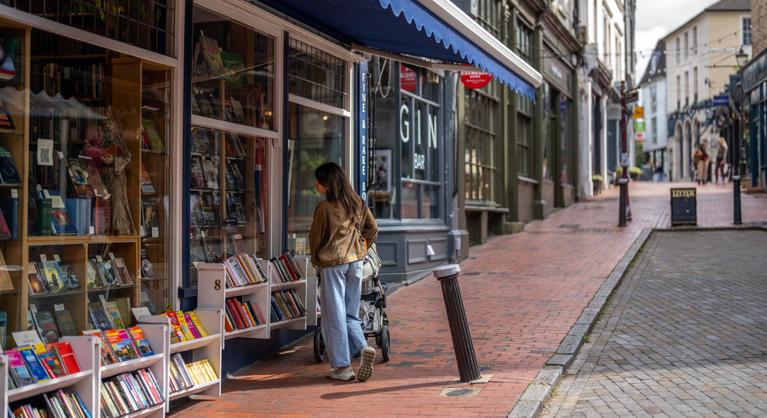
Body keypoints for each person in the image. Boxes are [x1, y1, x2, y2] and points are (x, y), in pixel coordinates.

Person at [309, 162, 379, 382]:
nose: (315, 185)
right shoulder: (357, 202)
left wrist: (315, 260)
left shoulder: (324, 208)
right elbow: (373, 228)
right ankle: (362, 346)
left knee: (333, 317)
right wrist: (363, 247)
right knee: (350, 313)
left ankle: (342, 368)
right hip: (355, 263)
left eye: (318, 181)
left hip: (333, 264)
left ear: (328, 184)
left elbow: (315, 238)